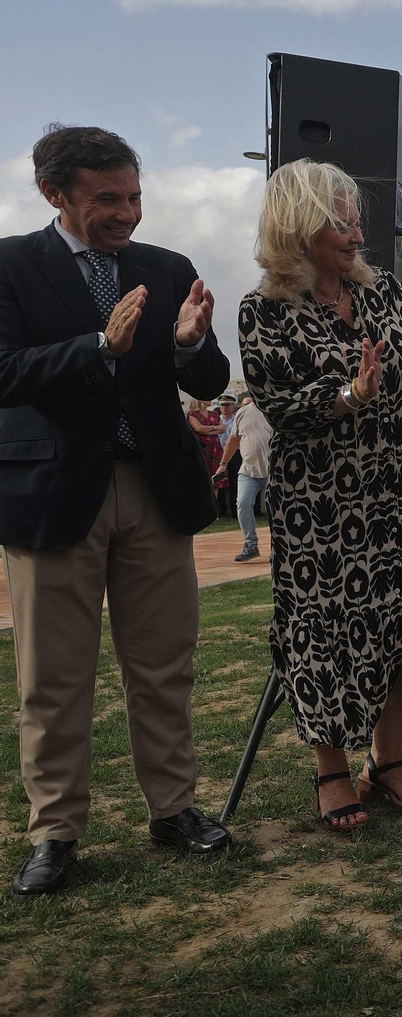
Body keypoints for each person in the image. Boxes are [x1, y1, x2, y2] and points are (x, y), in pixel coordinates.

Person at [0, 124, 234, 897]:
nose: (127, 213)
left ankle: (173, 810)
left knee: (164, 665)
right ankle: (55, 832)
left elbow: (208, 378)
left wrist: (191, 344)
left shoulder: (168, 268)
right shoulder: (10, 265)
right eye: (107, 199)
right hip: (53, 495)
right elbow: (5, 372)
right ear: (54, 193)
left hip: (154, 490)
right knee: (53, 677)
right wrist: (99, 346)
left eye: (134, 196)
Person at [237, 159, 402, 831]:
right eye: (340, 223)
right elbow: (280, 404)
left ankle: (387, 761)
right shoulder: (264, 311)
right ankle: (332, 772)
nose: (356, 235)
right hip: (322, 508)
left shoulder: (384, 294)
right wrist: (350, 394)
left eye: (355, 221)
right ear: (298, 230)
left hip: (399, 493)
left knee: (400, 627)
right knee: (327, 636)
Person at [213, 395, 271, 561]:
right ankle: (250, 545)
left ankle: (278, 547)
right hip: (248, 470)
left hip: (274, 470)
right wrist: (223, 464)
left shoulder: (274, 410)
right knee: (243, 503)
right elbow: (233, 439)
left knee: (276, 510)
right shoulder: (242, 413)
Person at [214, 392, 240, 518]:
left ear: (233, 406)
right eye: (222, 406)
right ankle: (221, 509)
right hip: (219, 452)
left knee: (235, 480)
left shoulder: (237, 419)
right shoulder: (216, 420)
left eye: (227, 405)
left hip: (235, 452)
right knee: (219, 481)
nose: (224, 408)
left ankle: (235, 509)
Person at [187, 397, 225, 478]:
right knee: (202, 471)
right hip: (201, 446)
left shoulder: (215, 414)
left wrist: (206, 432)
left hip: (215, 447)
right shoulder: (192, 414)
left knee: (216, 472)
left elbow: (222, 429)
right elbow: (198, 428)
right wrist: (215, 427)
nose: (210, 399)